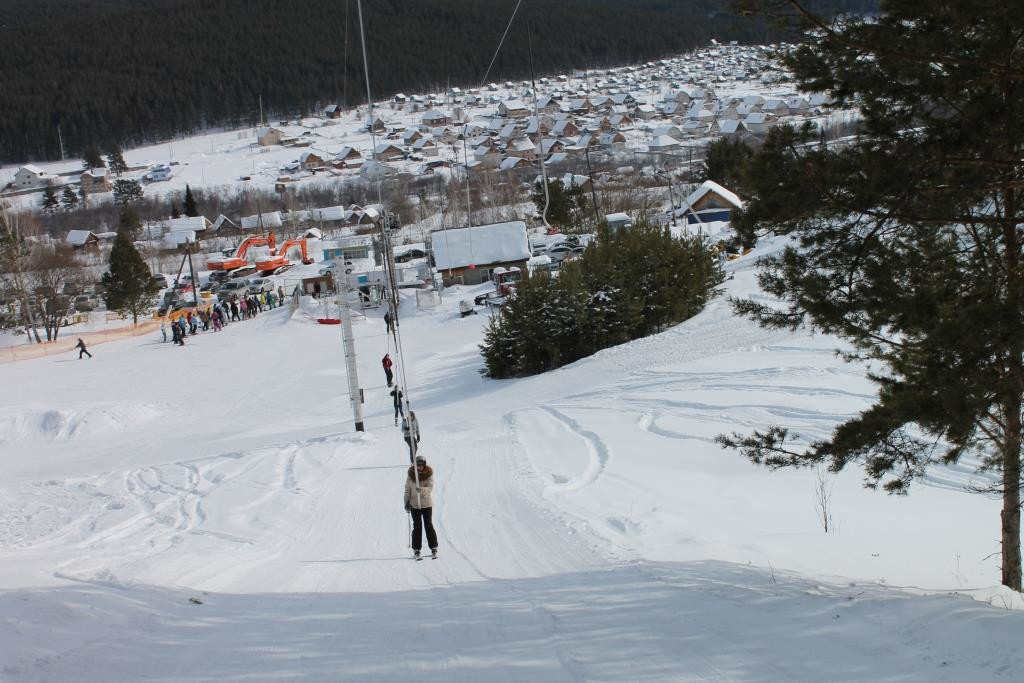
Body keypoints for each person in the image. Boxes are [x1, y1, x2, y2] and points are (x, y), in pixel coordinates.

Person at [404, 455, 438, 560]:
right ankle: (416, 549)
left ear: (424, 465)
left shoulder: (428, 474)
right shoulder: (411, 476)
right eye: (418, 465)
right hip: (414, 505)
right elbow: (407, 490)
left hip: (426, 504)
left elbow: (430, 488)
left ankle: (434, 547)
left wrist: (421, 490)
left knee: (428, 525)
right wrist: (406, 502)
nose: (420, 467)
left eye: (421, 465)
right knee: (417, 526)